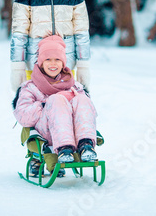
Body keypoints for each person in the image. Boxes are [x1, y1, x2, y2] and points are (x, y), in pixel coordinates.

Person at [12, 35, 98, 171]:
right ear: (41, 62)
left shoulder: (73, 86)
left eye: (57, 59)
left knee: (82, 99)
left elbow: (89, 110)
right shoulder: (30, 87)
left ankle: (86, 145)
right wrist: (45, 104)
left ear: (63, 62)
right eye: (48, 60)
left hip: (73, 131)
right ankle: (64, 148)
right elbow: (22, 116)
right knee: (56, 99)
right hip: (47, 132)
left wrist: (71, 101)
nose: (53, 64)